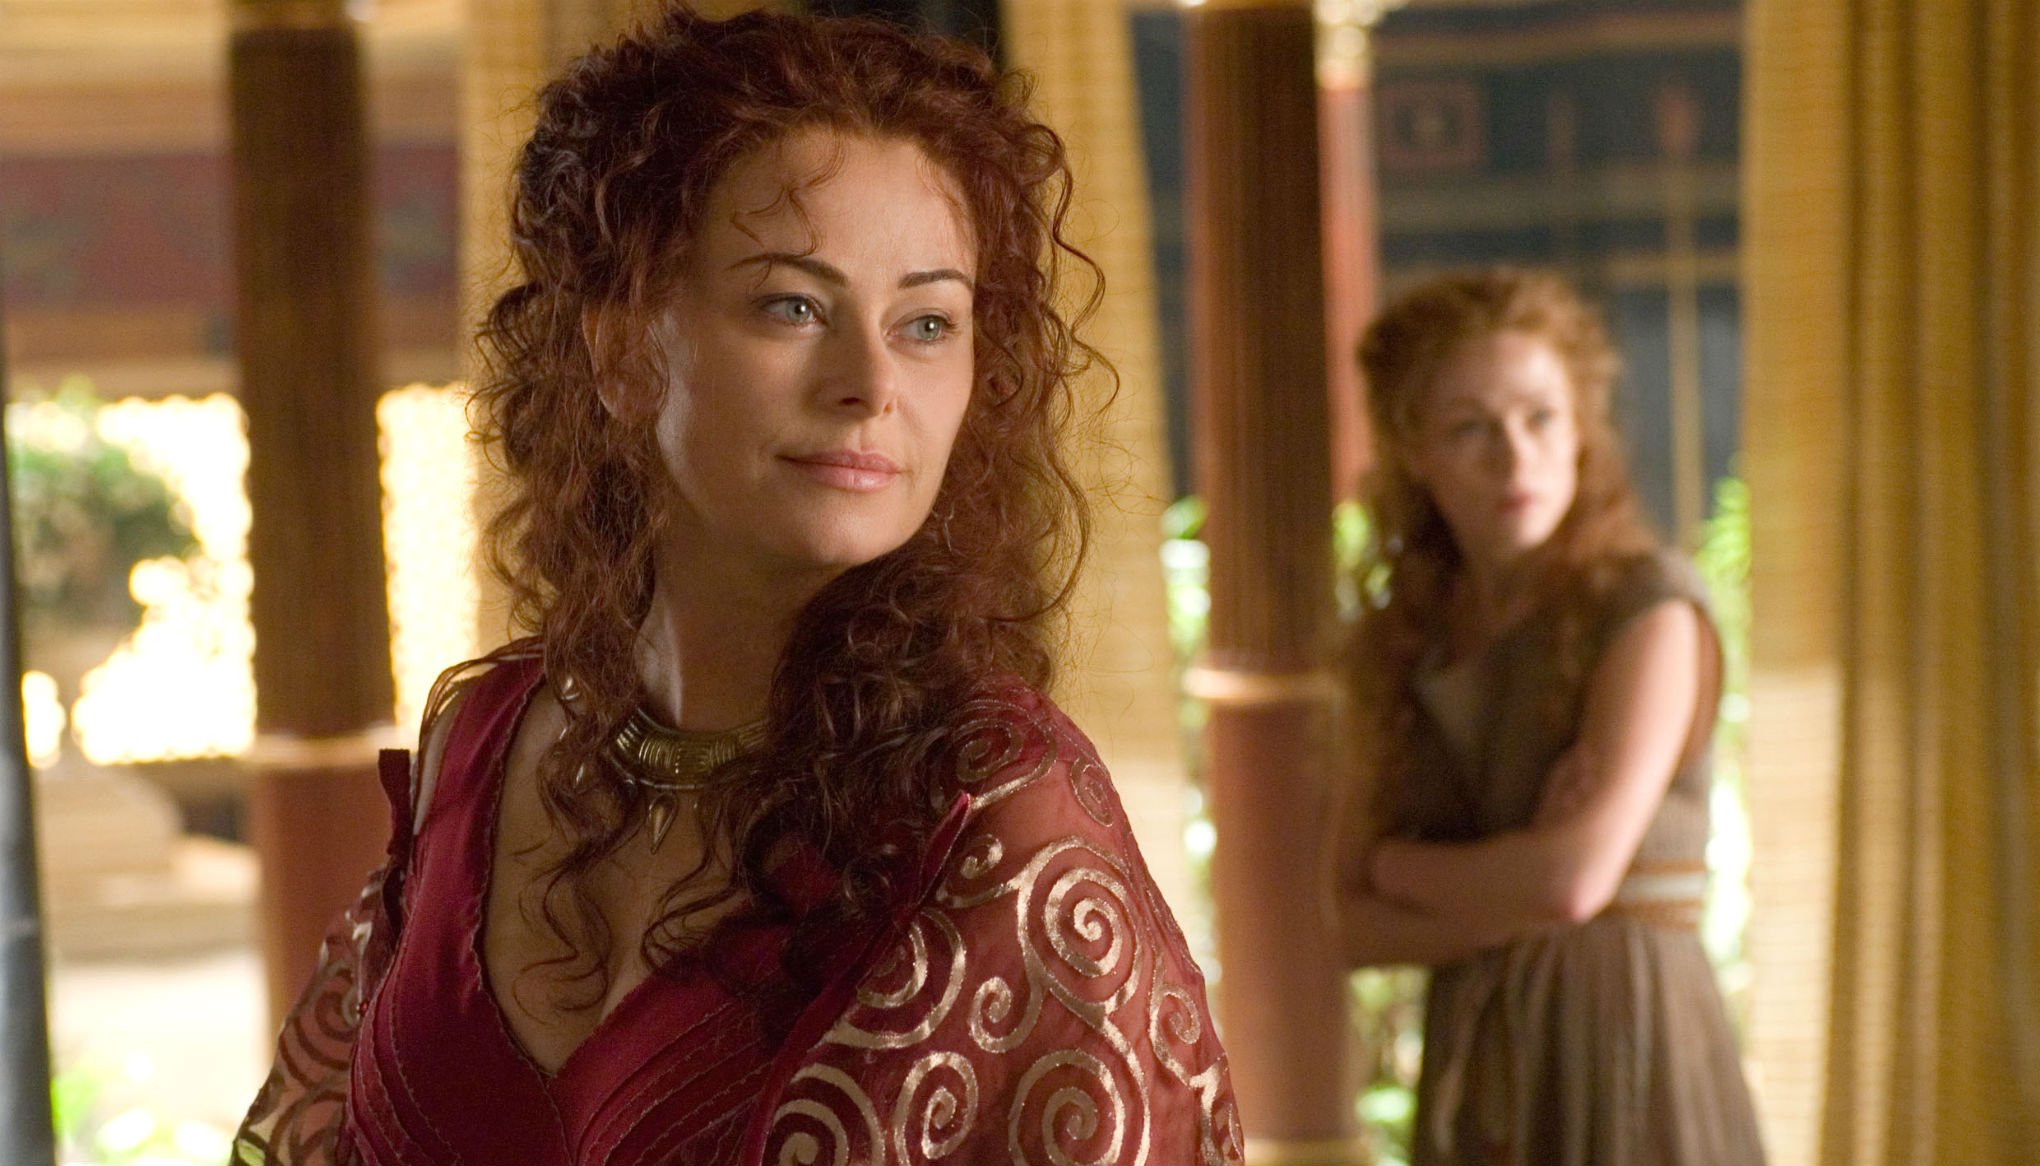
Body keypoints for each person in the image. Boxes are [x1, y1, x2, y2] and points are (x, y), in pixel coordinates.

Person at [231, 8, 1239, 1165]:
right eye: (792, 305)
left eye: (926, 322)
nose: (870, 384)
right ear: (623, 351)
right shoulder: (482, 743)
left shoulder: (995, 811)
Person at [1331, 268, 1765, 1165]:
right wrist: (1515, 885)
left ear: (1581, 432)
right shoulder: (1407, 640)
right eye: (1471, 428)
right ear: (1414, 450)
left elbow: (1569, 881)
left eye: (1541, 418)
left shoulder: (1646, 607)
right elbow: (1346, 923)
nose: (1515, 456)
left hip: (1629, 1040)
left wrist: (1399, 865)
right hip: (1481, 1055)